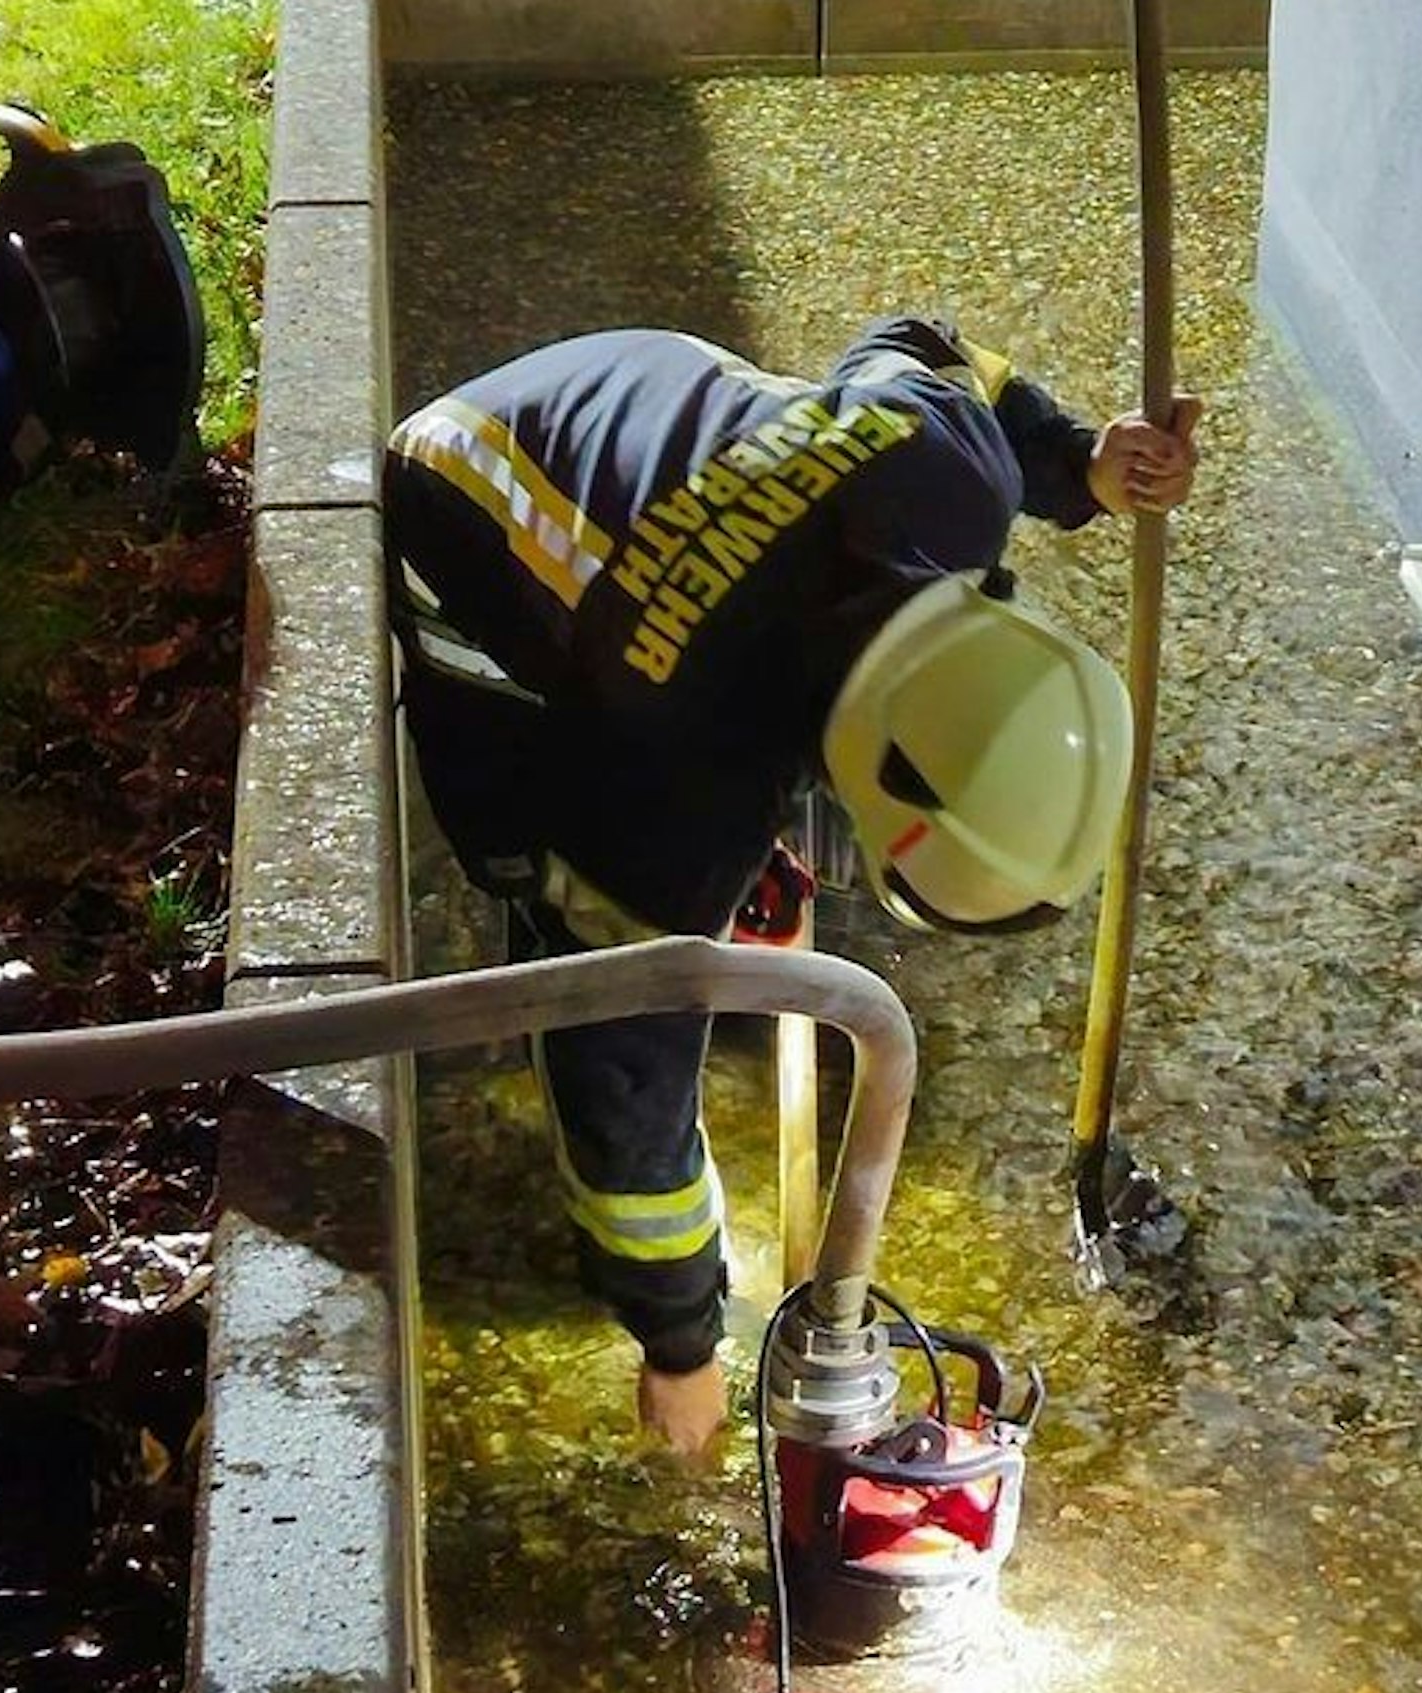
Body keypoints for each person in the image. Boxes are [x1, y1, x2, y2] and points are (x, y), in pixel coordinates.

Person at [384, 316, 1201, 1456]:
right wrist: (678, 1346)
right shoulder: (669, 778)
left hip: (648, 390)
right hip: (465, 484)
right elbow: (617, 1070)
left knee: (715, 797)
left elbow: (920, 340)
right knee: (556, 884)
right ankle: (536, 878)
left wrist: (1073, 464)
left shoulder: (950, 467)